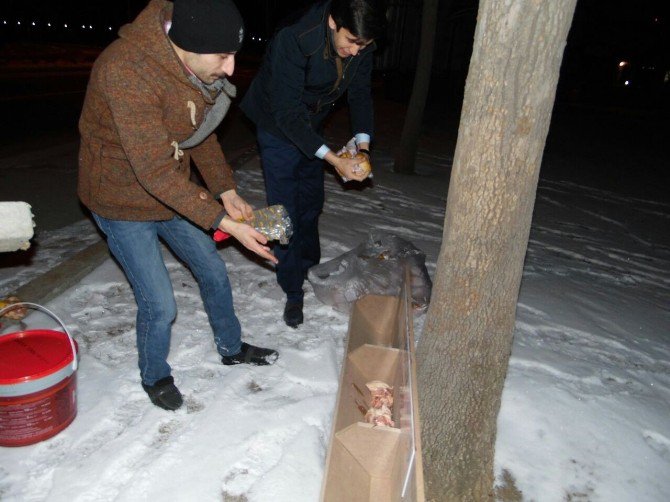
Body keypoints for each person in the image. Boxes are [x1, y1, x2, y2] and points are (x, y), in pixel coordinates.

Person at [78, 0, 279, 412]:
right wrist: (226, 222)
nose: (229, 69)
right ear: (188, 44)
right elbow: (153, 171)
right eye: (223, 56)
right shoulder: (125, 71)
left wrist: (225, 189)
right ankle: (155, 375)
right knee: (159, 302)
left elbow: (197, 133)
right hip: (120, 200)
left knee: (212, 269)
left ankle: (231, 347)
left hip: (170, 192)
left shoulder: (187, 65)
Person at [240, 0, 387, 328]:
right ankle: (291, 287)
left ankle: (308, 264)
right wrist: (334, 159)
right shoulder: (295, 37)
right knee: (282, 210)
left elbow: (360, 94)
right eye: (350, 42)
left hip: (310, 122)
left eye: (362, 46)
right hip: (276, 123)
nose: (354, 51)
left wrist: (362, 149)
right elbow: (286, 112)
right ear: (334, 22)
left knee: (311, 202)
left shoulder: (361, 40)